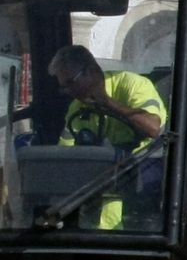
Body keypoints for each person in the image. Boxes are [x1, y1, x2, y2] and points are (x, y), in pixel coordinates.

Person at [48, 45, 166, 229]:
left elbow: (152, 128)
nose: (69, 91)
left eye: (71, 83)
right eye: (64, 87)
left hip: (147, 180)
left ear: (92, 71)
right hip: (100, 197)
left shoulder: (133, 85)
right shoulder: (76, 109)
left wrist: (108, 103)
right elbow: (64, 159)